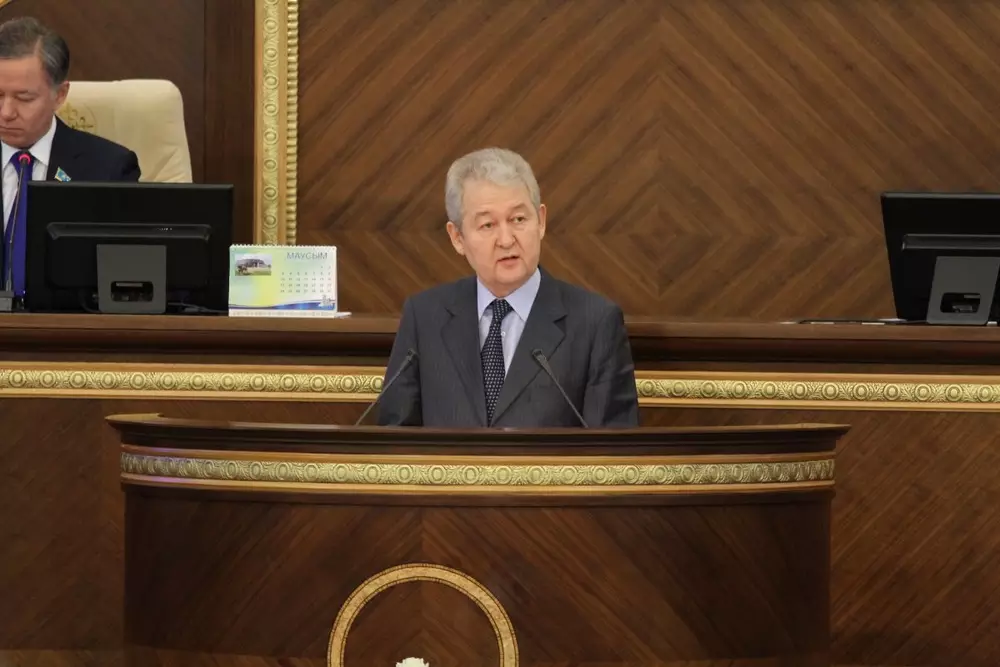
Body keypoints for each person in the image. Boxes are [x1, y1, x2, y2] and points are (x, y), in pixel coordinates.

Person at [377, 147, 639, 428]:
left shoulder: (595, 323)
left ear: (541, 221)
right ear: (457, 238)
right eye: (487, 225)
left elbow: (613, 448)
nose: (506, 240)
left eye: (518, 219)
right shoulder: (424, 317)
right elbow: (394, 439)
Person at [0, 16, 140, 299]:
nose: (6, 112)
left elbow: (127, 280)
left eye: (24, 98)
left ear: (60, 95)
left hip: (68, 323)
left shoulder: (108, 169)